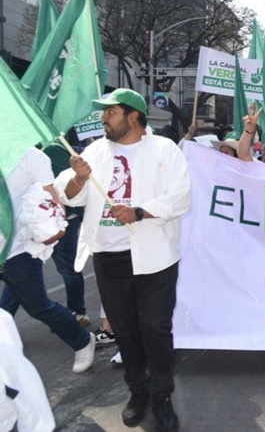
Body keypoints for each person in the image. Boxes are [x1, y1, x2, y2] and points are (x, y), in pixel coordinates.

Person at [55, 88, 191, 430]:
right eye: (104, 112)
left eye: (111, 112)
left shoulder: (165, 149)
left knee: (155, 330)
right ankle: (138, 391)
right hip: (109, 257)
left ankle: (162, 397)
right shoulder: (95, 151)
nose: (103, 118)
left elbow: (181, 197)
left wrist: (140, 212)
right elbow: (69, 195)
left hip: (155, 258)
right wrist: (78, 178)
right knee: (126, 333)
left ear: (133, 116)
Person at [1, 147, 96, 374]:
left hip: (18, 248)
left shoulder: (30, 156)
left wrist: (53, 229)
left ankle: (82, 340)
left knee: (37, 306)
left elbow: (53, 202)